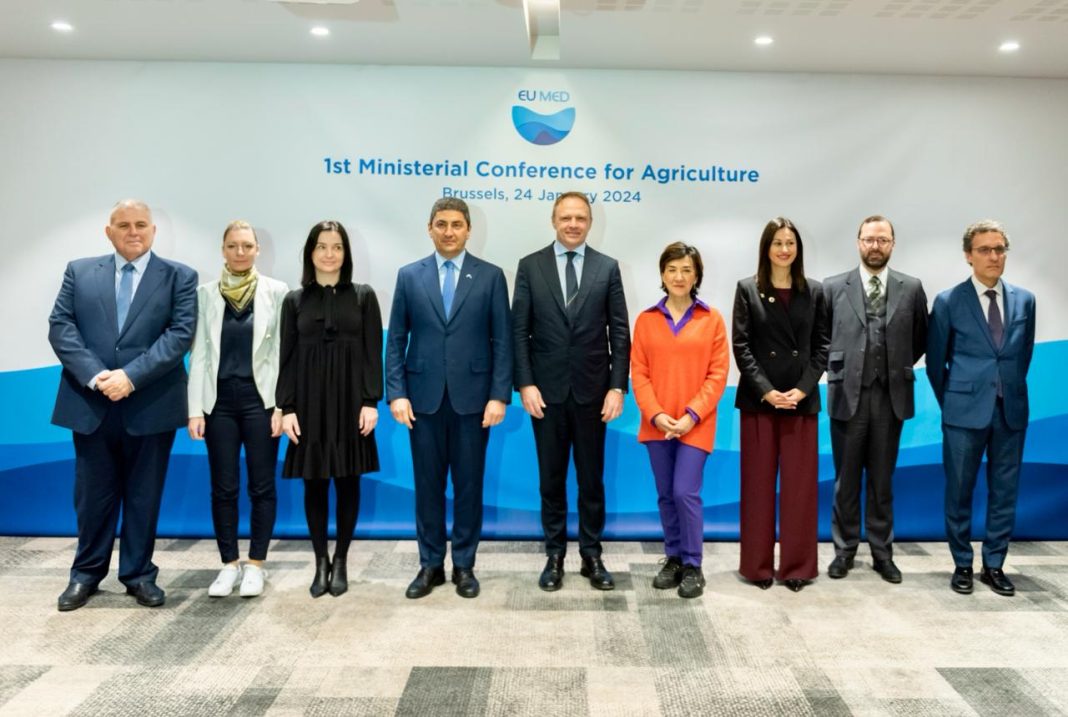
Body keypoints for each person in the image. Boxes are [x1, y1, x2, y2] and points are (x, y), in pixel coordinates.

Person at [48, 199, 197, 611]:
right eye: (124, 224)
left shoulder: (180, 276)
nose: (134, 232)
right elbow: (61, 327)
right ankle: (85, 574)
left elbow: (179, 335)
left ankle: (138, 574)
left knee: (143, 497)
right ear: (108, 231)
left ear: (153, 231)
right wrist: (98, 376)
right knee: (92, 497)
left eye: (141, 224)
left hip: (151, 403)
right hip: (91, 402)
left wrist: (129, 377)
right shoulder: (79, 271)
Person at [386, 197, 513, 600]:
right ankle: (430, 565)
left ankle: (464, 565)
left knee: (469, 485)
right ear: (430, 228)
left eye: (457, 224)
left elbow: (502, 341)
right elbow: (396, 340)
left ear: (468, 230)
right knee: (427, 486)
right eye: (441, 224)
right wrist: (396, 393)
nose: (449, 231)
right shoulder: (409, 276)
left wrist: (499, 396)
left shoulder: (491, 276)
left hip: (474, 402)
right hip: (422, 401)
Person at [512, 192, 630, 592]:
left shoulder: (607, 267)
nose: (573, 224)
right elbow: (519, 331)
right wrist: (525, 383)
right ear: (554, 220)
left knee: (591, 480)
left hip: (593, 394)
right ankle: (555, 555)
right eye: (566, 217)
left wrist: (617, 387)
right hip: (544, 395)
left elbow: (619, 332)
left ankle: (591, 554)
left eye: (580, 218)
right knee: (551, 479)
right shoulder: (530, 266)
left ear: (590, 222)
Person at [927, 220, 1036, 597]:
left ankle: (994, 564)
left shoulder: (1025, 300)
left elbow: (1023, 355)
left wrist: (1007, 389)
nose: (994, 256)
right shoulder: (948, 301)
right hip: (962, 412)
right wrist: (952, 402)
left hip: (1010, 411)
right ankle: (962, 563)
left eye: (999, 249)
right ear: (968, 256)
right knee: (959, 490)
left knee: (1004, 491)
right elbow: (935, 362)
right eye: (985, 250)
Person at [277, 221, 383, 598]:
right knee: (315, 483)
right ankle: (320, 560)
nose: (329, 254)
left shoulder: (363, 297)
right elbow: (286, 358)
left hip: (352, 404)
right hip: (308, 405)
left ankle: (341, 560)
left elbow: (372, 353)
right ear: (310, 253)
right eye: (322, 246)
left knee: (348, 481)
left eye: (337, 247)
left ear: (346, 254)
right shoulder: (293, 301)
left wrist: (370, 401)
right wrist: (287, 407)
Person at [822, 216, 928, 584]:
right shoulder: (833, 287)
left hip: (890, 397)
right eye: (869, 239)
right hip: (846, 396)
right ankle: (844, 551)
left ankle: (883, 553)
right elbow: (821, 338)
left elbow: (920, 338)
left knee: (882, 481)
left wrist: (893, 367)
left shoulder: (911, 288)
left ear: (893, 244)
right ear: (858, 243)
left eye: (882, 240)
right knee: (846, 480)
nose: (875, 246)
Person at [187, 221, 289, 598]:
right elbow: (199, 354)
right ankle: (229, 564)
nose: (240, 252)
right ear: (223, 250)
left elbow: (283, 354)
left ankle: (256, 564)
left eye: (247, 245)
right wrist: (195, 410)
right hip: (219, 404)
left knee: (262, 486)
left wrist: (282, 406)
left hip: (261, 402)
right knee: (223, 487)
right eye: (233, 246)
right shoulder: (205, 294)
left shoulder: (277, 292)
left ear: (258, 249)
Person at [732, 217, 828, 592]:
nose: (784, 250)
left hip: (801, 402)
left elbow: (823, 346)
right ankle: (756, 567)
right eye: (777, 243)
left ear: (798, 249)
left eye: (790, 243)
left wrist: (802, 389)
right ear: (766, 248)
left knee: (800, 488)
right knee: (757, 486)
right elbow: (741, 346)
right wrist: (767, 391)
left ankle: (797, 566)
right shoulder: (747, 289)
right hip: (760, 401)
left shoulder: (815, 291)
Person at [631, 242, 729, 598]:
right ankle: (673, 557)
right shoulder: (646, 320)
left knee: (684, 492)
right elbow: (639, 373)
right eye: (672, 269)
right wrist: (657, 414)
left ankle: (692, 564)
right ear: (662, 274)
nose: (679, 276)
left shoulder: (711, 319)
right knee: (665, 495)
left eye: (687, 270)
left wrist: (691, 415)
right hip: (656, 423)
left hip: (695, 424)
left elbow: (718, 374)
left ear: (697, 275)